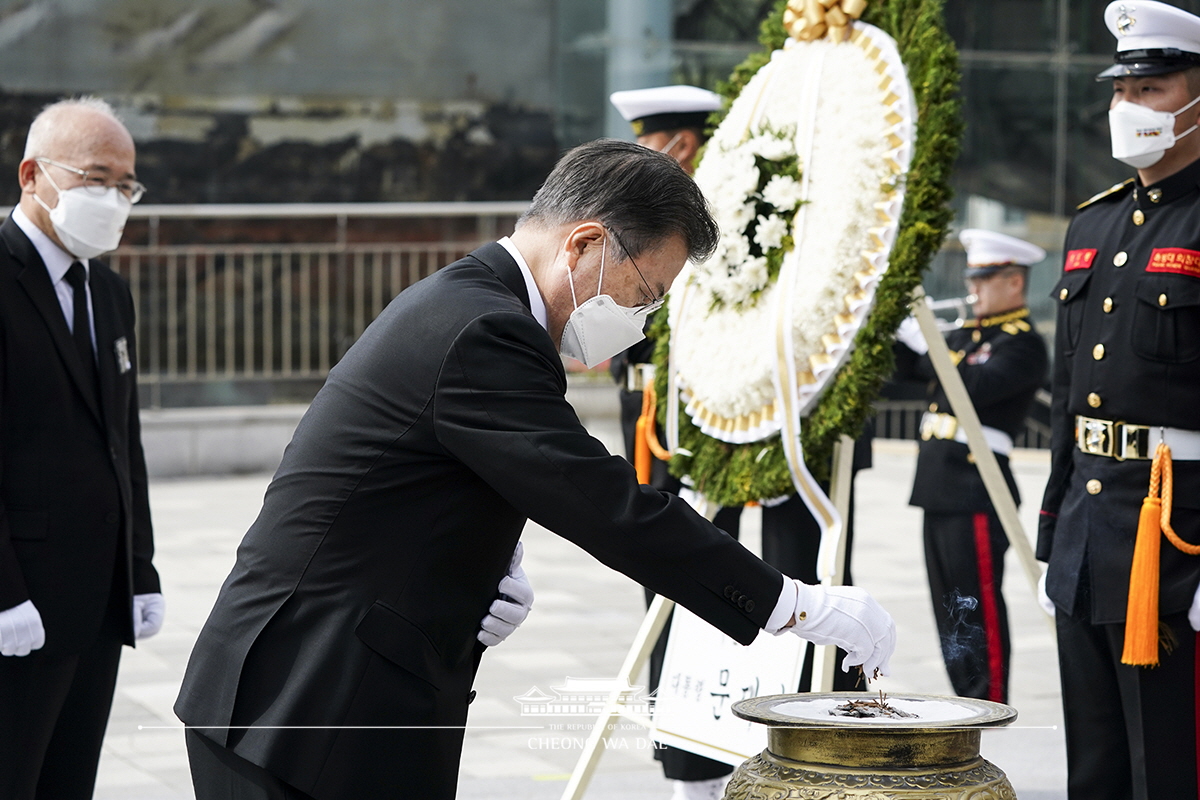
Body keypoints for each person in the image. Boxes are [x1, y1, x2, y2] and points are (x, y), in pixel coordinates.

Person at [174, 139, 897, 800]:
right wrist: (793, 604)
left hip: (328, 691)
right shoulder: (487, 328)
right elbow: (601, 501)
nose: (639, 321)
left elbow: (424, 473)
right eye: (642, 296)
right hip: (308, 702)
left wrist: (484, 560)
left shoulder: (470, 301)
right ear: (584, 245)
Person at [1038, 2, 1200, 796]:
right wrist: (1051, 533)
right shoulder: (1090, 225)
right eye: (1119, 92)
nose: (1127, 108)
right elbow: (1073, 395)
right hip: (1089, 537)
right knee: (1094, 765)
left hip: (1179, 541)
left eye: (1153, 88)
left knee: (1169, 765)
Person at [0, 97, 164, 799]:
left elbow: (122, 441)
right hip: (19, 601)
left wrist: (140, 567)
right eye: (95, 178)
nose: (113, 200)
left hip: (95, 600)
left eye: (125, 185)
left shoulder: (109, 289)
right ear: (32, 175)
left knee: (70, 782)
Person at [610, 85, 745, 800]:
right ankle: (684, 768)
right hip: (650, 437)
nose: (639, 158)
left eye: (648, 143)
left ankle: (711, 766)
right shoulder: (638, 219)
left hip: (702, 435)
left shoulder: (711, 223)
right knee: (659, 591)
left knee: (709, 585)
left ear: (682, 146)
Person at [896, 229, 1048, 704]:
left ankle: (988, 697)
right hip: (939, 485)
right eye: (972, 278)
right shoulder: (966, 335)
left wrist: (929, 348)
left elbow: (972, 389)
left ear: (1014, 283)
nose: (973, 287)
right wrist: (899, 332)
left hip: (976, 485)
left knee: (975, 599)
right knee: (949, 606)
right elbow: (909, 371)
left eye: (984, 278)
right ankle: (964, 695)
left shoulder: (1022, 343)